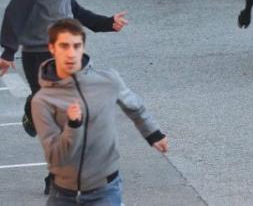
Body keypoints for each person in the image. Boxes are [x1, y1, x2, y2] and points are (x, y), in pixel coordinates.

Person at [0, 0, 128, 142]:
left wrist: (107, 23)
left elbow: (73, 9)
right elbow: (16, 9)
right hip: (42, 55)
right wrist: (8, 51)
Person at [33, 18, 168, 204]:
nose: (71, 54)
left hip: (105, 189)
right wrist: (73, 126)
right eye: (64, 46)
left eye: (76, 46)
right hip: (63, 194)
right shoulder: (43, 100)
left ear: (83, 48)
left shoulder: (108, 81)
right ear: (52, 48)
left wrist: (153, 134)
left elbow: (135, 106)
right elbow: (56, 158)